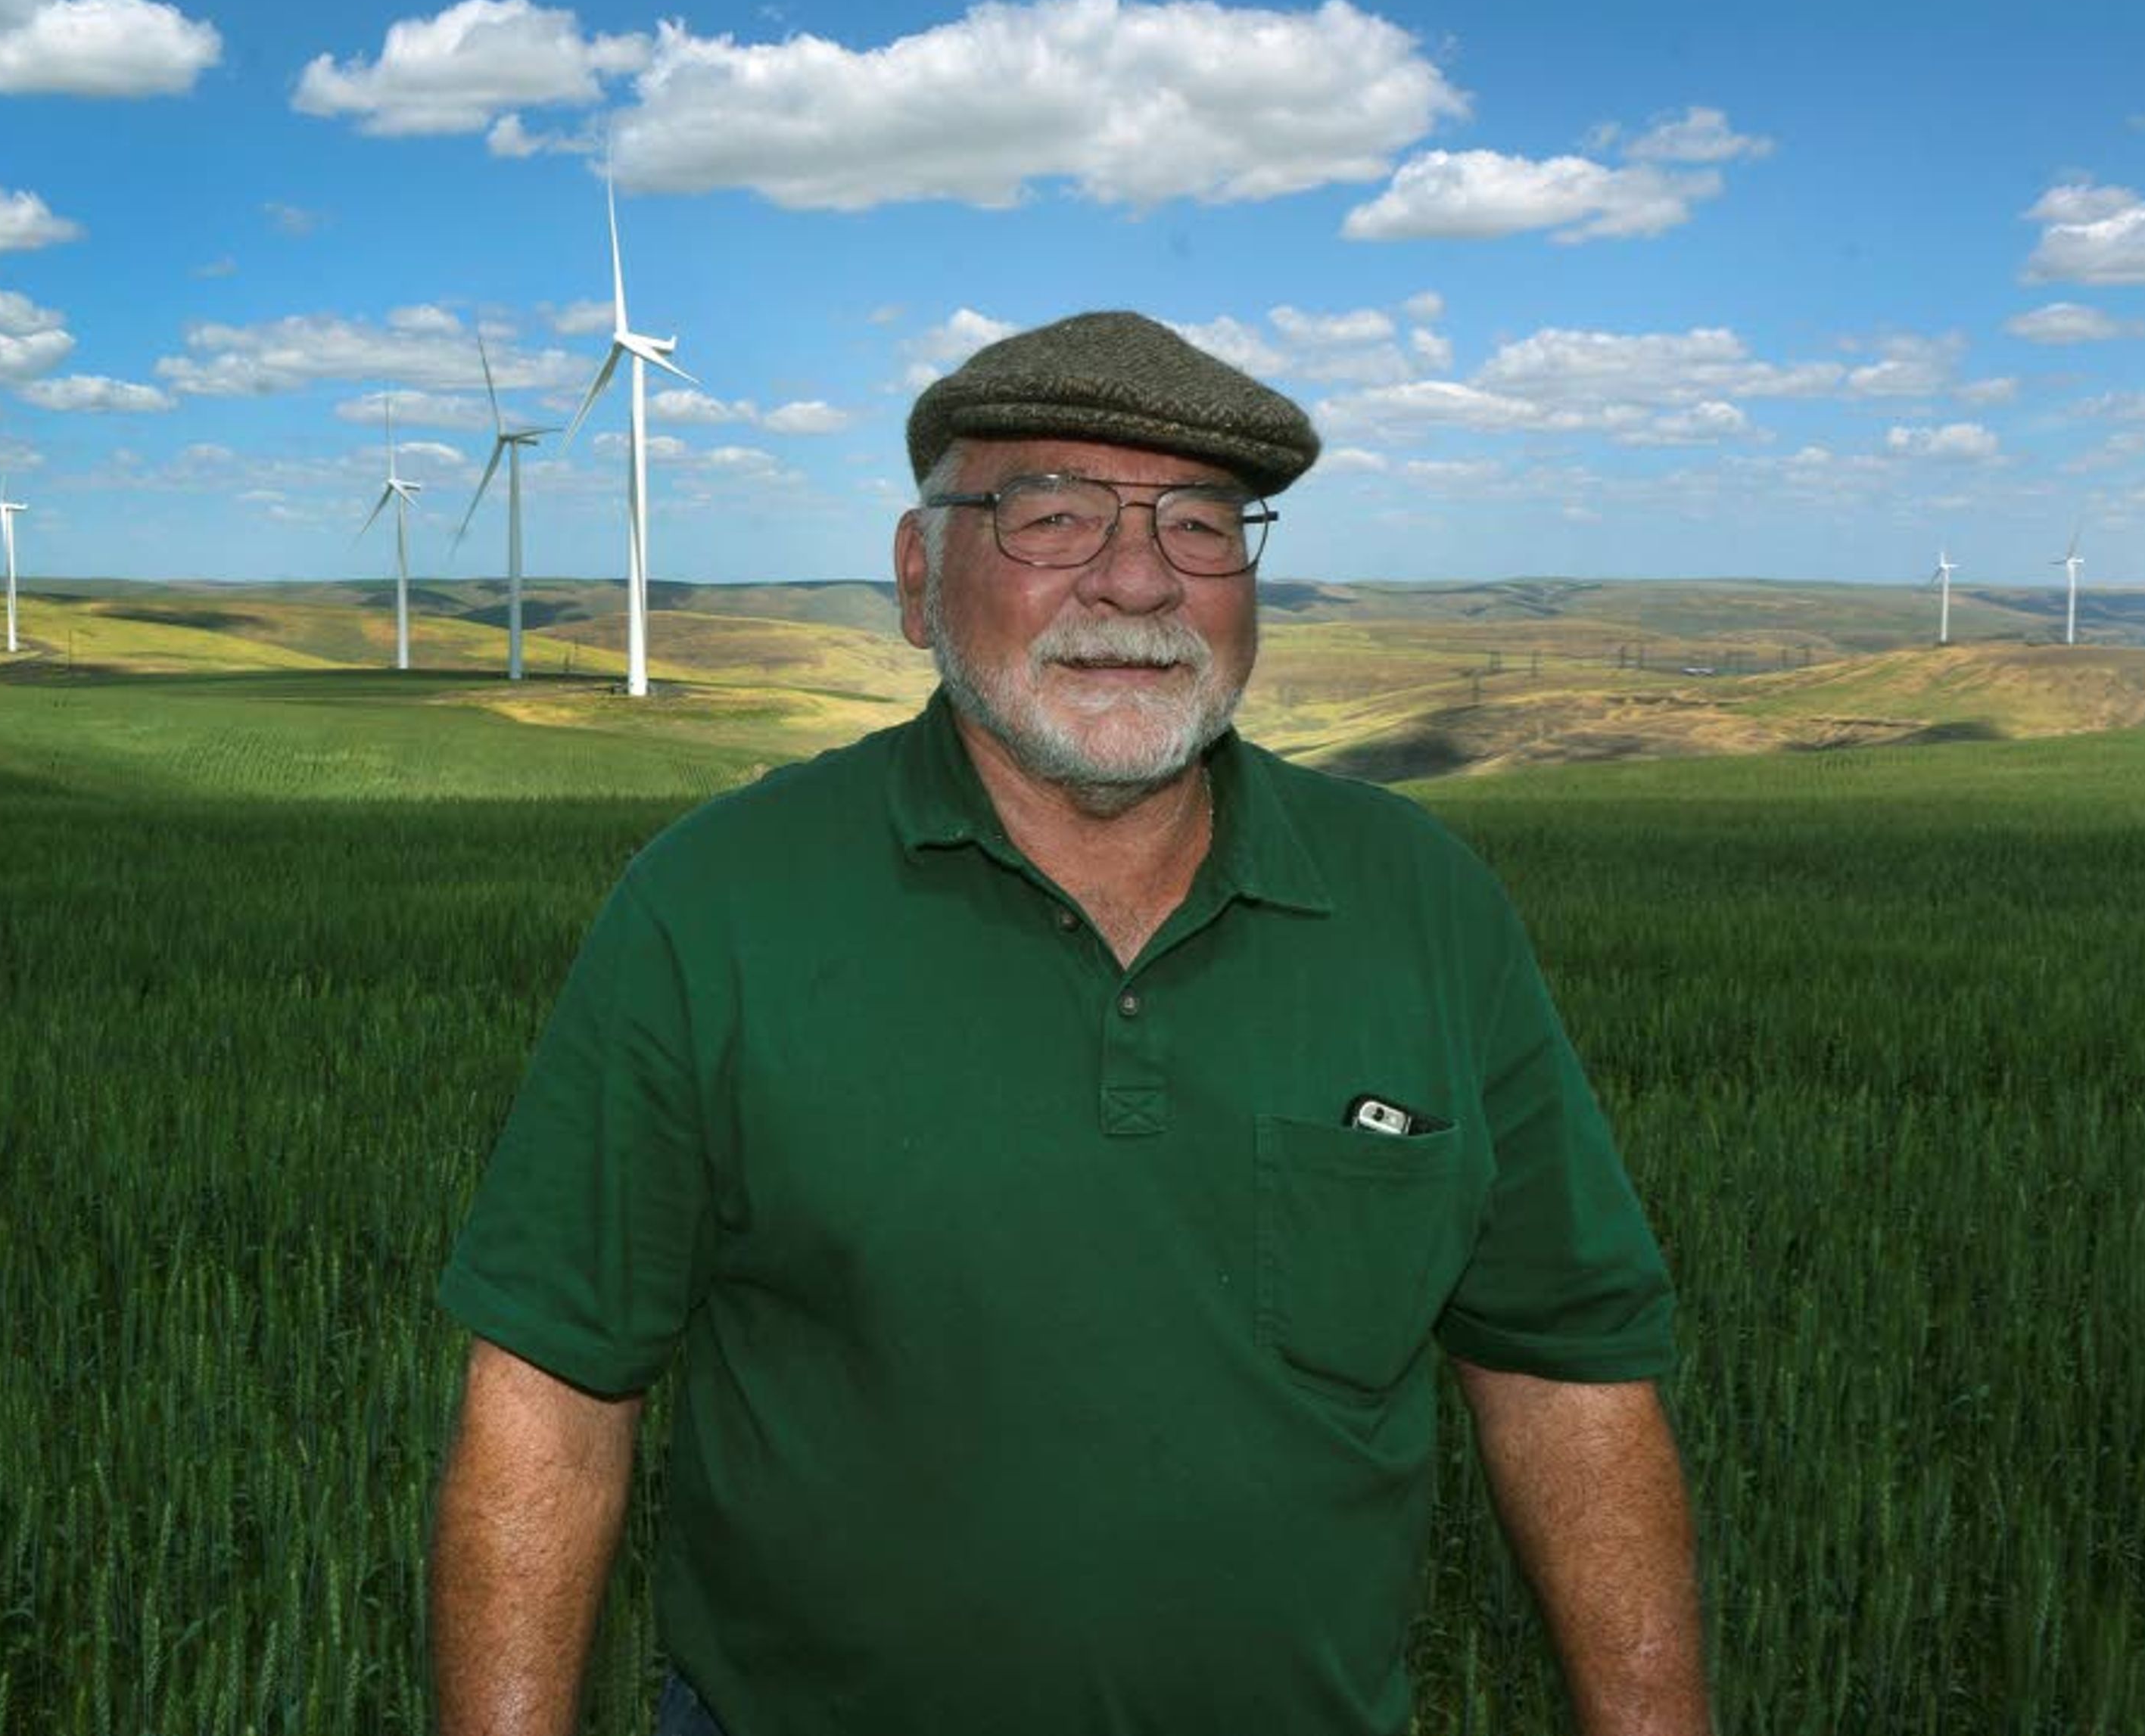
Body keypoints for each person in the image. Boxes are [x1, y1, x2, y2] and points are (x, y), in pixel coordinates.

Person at [430, 310, 1710, 1736]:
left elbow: (1564, 1374)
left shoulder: (1424, 907)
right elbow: (548, 1398)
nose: (1139, 581)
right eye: (1051, 515)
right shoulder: (715, 905)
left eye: (1203, 523)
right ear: (922, 578)